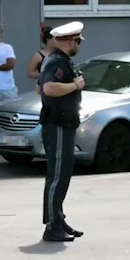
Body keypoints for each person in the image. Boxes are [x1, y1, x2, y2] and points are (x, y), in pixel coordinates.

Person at [38, 21, 86, 243]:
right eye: (77, 40)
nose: (79, 44)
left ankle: (58, 219)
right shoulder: (56, 62)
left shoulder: (62, 61)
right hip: (57, 124)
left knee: (63, 175)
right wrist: (75, 86)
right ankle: (52, 226)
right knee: (57, 176)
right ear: (68, 41)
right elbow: (48, 88)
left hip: (65, 124)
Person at [27, 25, 55, 94]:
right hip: (44, 87)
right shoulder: (38, 55)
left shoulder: (58, 53)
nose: (57, 41)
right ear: (49, 40)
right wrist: (44, 75)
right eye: (55, 39)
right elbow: (30, 73)